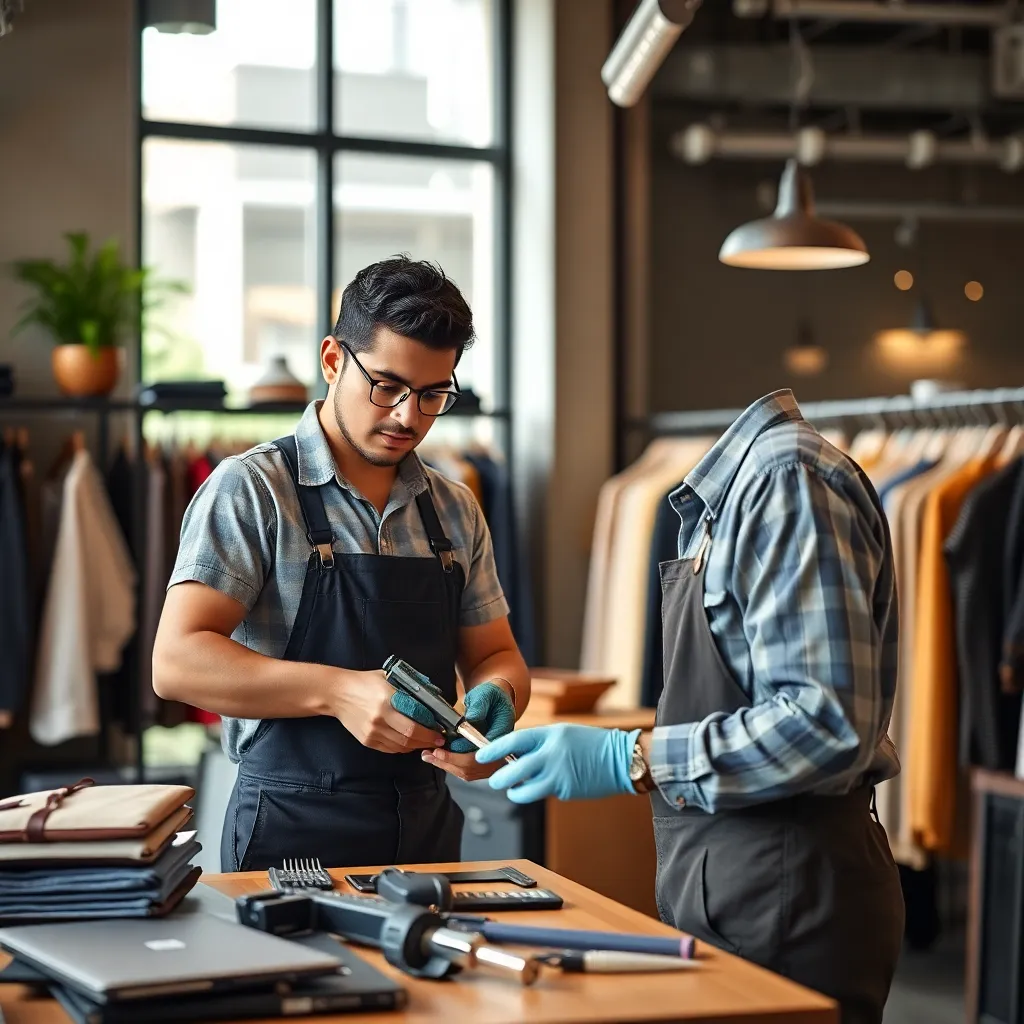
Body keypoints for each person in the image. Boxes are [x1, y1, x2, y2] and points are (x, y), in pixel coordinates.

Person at [478, 389, 905, 1024]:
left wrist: (631, 755)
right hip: (744, 887)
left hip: (785, 892)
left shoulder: (785, 482)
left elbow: (823, 723)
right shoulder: (731, 495)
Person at [153, 256, 530, 872]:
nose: (409, 416)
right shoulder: (252, 490)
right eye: (386, 386)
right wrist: (338, 693)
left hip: (428, 832)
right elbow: (176, 663)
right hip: (289, 835)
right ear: (333, 360)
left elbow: (496, 654)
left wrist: (499, 696)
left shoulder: (456, 510)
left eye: (434, 394)